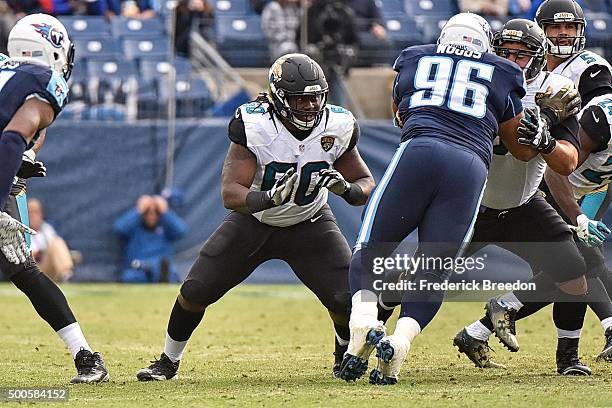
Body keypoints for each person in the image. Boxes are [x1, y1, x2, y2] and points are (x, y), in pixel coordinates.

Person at [339, 13, 558, 385]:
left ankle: (363, 321)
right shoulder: (503, 72)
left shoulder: (413, 58)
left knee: (371, 246)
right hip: (470, 167)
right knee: (433, 269)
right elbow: (516, 145)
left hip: (419, 150)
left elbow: (400, 114)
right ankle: (400, 343)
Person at [136, 53, 380, 381]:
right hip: (255, 221)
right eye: (300, 99)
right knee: (195, 290)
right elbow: (230, 193)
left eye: (315, 98)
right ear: (280, 98)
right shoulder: (255, 124)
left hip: (310, 220)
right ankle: (168, 361)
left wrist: (347, 190)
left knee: (343, 298)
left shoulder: (337, 125)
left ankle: (341, 354)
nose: (309, 106)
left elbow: (366, 183)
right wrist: (270, 197)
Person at [457, 0, 612, 370]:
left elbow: (579, 136)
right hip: (530, 182)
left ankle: (563, 349)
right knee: (582, 264)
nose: (563, 35)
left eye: (569, 28)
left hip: (577, 178)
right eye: (554, 28)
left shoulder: (588, 70)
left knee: (579, 264)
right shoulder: (498, 76)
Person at [0, 14, 108, 383]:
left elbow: (23, 138)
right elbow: (16, 135)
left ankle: (86, 356)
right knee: (24, 272)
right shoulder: (42, 82)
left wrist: (20, 164)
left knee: (22, 270)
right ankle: (86, 357)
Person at [114, 194, 187, 283]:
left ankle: (162, 277)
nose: (151, 215)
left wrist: (165, 211)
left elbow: (181, 230)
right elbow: (119, 228)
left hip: (160, 268)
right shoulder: (135, 227)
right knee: (129, 276)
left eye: (156, 212)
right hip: (139, 268)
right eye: (147, 212)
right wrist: (138, 210)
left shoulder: (166, 227)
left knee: (171, 274)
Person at [28, 198, 77, 282]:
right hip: (31, 271)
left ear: (41, 214)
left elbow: (54, 248)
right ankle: (66, 274)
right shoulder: (21, 230)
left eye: (36, 212)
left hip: (48, 268)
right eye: (30, 212)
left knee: (58, 242)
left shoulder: (46, 228)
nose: (33, 216)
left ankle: (67, 275)